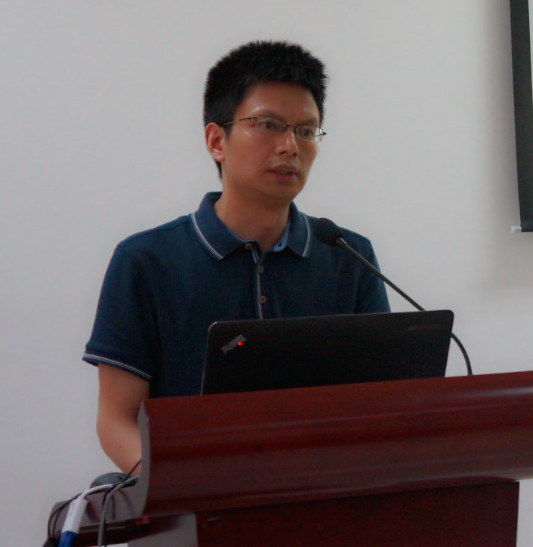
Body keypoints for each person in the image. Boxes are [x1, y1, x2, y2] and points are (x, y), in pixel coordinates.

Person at [83, 40, 388, 472]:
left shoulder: (348, 256)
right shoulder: (146, 261)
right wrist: (183, 486)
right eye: (268, 125)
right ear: (216, 140)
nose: (290, 147)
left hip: (323, 494)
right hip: (195, 500)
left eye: (306, 131)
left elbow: (382, 405)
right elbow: (117, 422)